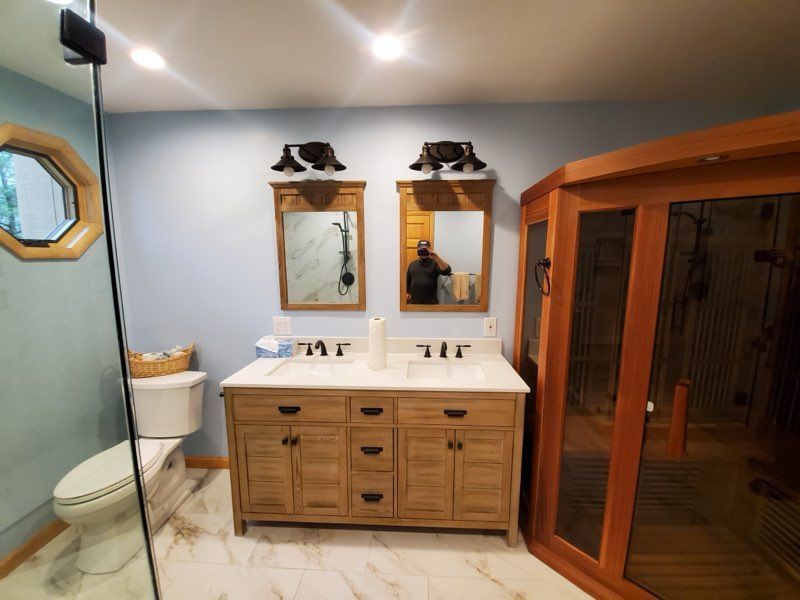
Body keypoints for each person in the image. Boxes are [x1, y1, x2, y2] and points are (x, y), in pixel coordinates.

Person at [406, 240, 451, 304]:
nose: (423, 251)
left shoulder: (435, 263)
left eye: (425, 249)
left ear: (429, 249)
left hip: (431, 303)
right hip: (414, 303)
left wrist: (436, 257)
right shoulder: (412, 264)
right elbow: (407, 281)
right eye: (421, 249)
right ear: (417, 249)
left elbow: (447, 271)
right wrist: (406, 292)